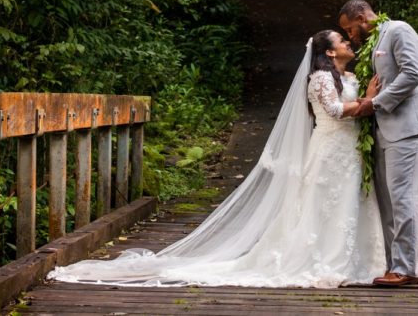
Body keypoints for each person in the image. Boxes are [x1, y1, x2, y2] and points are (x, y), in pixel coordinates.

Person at [47, 30, 385, 288]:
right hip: (328, 149)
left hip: (348, 150)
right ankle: (323, 260)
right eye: (342, 40)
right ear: (329, 51)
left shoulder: (348, 77)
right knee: (321, 203)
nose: (348, 43)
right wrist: (368, 101)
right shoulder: (321, 77)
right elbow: (335, 110)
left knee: (345, 202)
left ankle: (350, 258)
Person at [339, 0, 418, 288]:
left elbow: (413, 74)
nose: (350, 36)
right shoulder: (376, 40)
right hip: (385, 129)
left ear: (362, 17)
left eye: (349, 29)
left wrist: (375, 103)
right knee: (387, 200)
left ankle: (405, 268)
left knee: (403, 196)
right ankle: (394, 264)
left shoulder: (399, 30)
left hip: (410, 127)